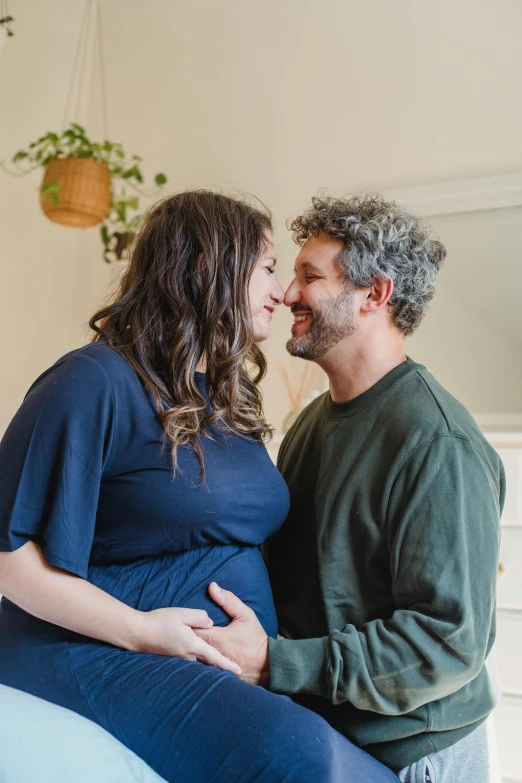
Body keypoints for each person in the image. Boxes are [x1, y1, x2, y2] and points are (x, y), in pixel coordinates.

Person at [0, 191, 399, 783]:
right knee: (295, 753)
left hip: (212, 656)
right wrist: (142, 633)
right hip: (86, 648)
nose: (282, 292)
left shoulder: (220, 398)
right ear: (210, 268)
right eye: (267, 268)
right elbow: (8, 557)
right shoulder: (94, 380)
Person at [197, 194, 505, 783]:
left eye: (310, 276)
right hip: (326, 741)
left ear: (375, 294)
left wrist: (276, 662)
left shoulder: (437, 443)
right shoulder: (310, 425)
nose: (288, 294)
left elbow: (446, 642)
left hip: (417, 757)